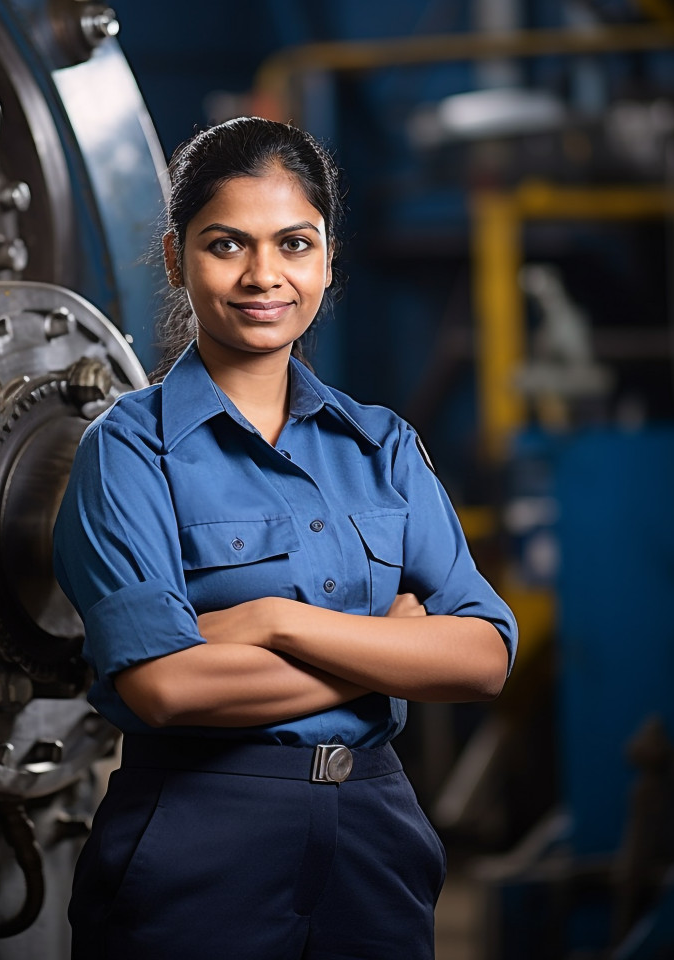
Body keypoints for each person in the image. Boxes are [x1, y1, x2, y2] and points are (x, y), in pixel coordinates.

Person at [53, 116, 517, 960]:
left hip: (377, 840)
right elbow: (166, 688)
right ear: (175, 259)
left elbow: (483, 655)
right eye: (226, 244)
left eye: (294, 244)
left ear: (329, 258)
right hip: (197, 840)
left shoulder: (383, 447)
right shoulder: (128, 449)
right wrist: (391, 656)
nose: (263, 276)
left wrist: (275, 621)